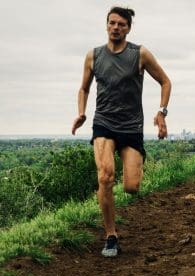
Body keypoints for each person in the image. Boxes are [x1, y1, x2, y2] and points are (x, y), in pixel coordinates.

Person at [72, 6, 171, 257]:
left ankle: (134, 166)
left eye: (122, 25)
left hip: (131, 126)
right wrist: (82, 113)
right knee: (105, 176)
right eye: (112, 23)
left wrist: (161, 113)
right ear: (106, 25)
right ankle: (111, 235)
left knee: (131, 187)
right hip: (103, 122)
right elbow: (83, 88)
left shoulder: (140, 54)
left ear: (128, 28)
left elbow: (165, 81)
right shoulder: (93, 56)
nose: (116, 28)